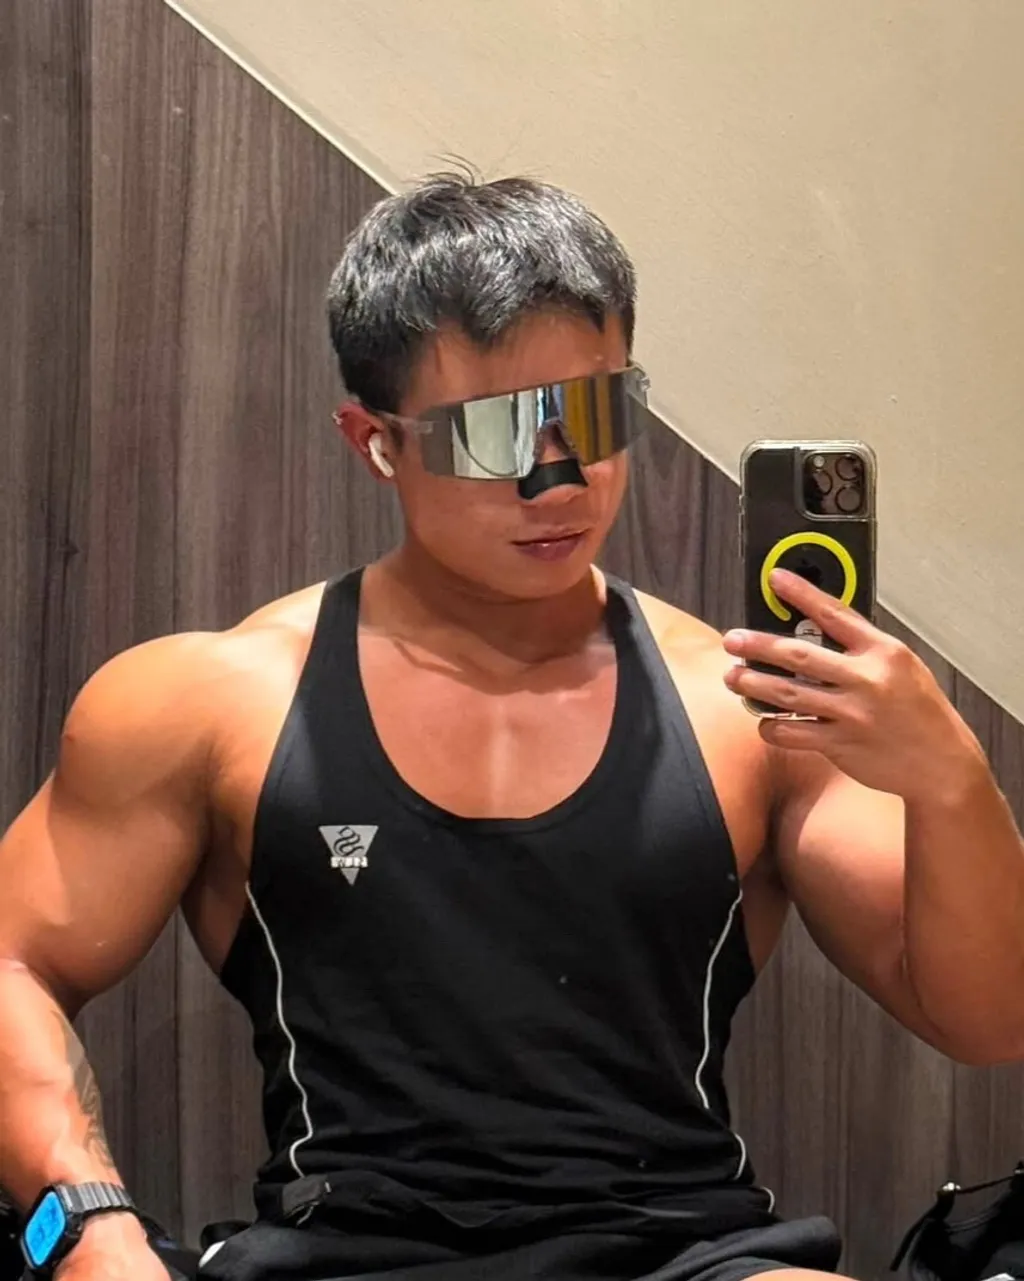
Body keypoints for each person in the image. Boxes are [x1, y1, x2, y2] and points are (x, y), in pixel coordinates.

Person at [1, 172, 1023, 1281]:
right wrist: (86, 1224)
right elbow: (13, 961)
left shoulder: (747, 707)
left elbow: (988, 1022)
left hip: (682, 1257)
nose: (558, 476)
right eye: (495, 433)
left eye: (595, 415)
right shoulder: (209, 700)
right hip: (340, 1258)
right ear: (374, 440)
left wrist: (950, 779)